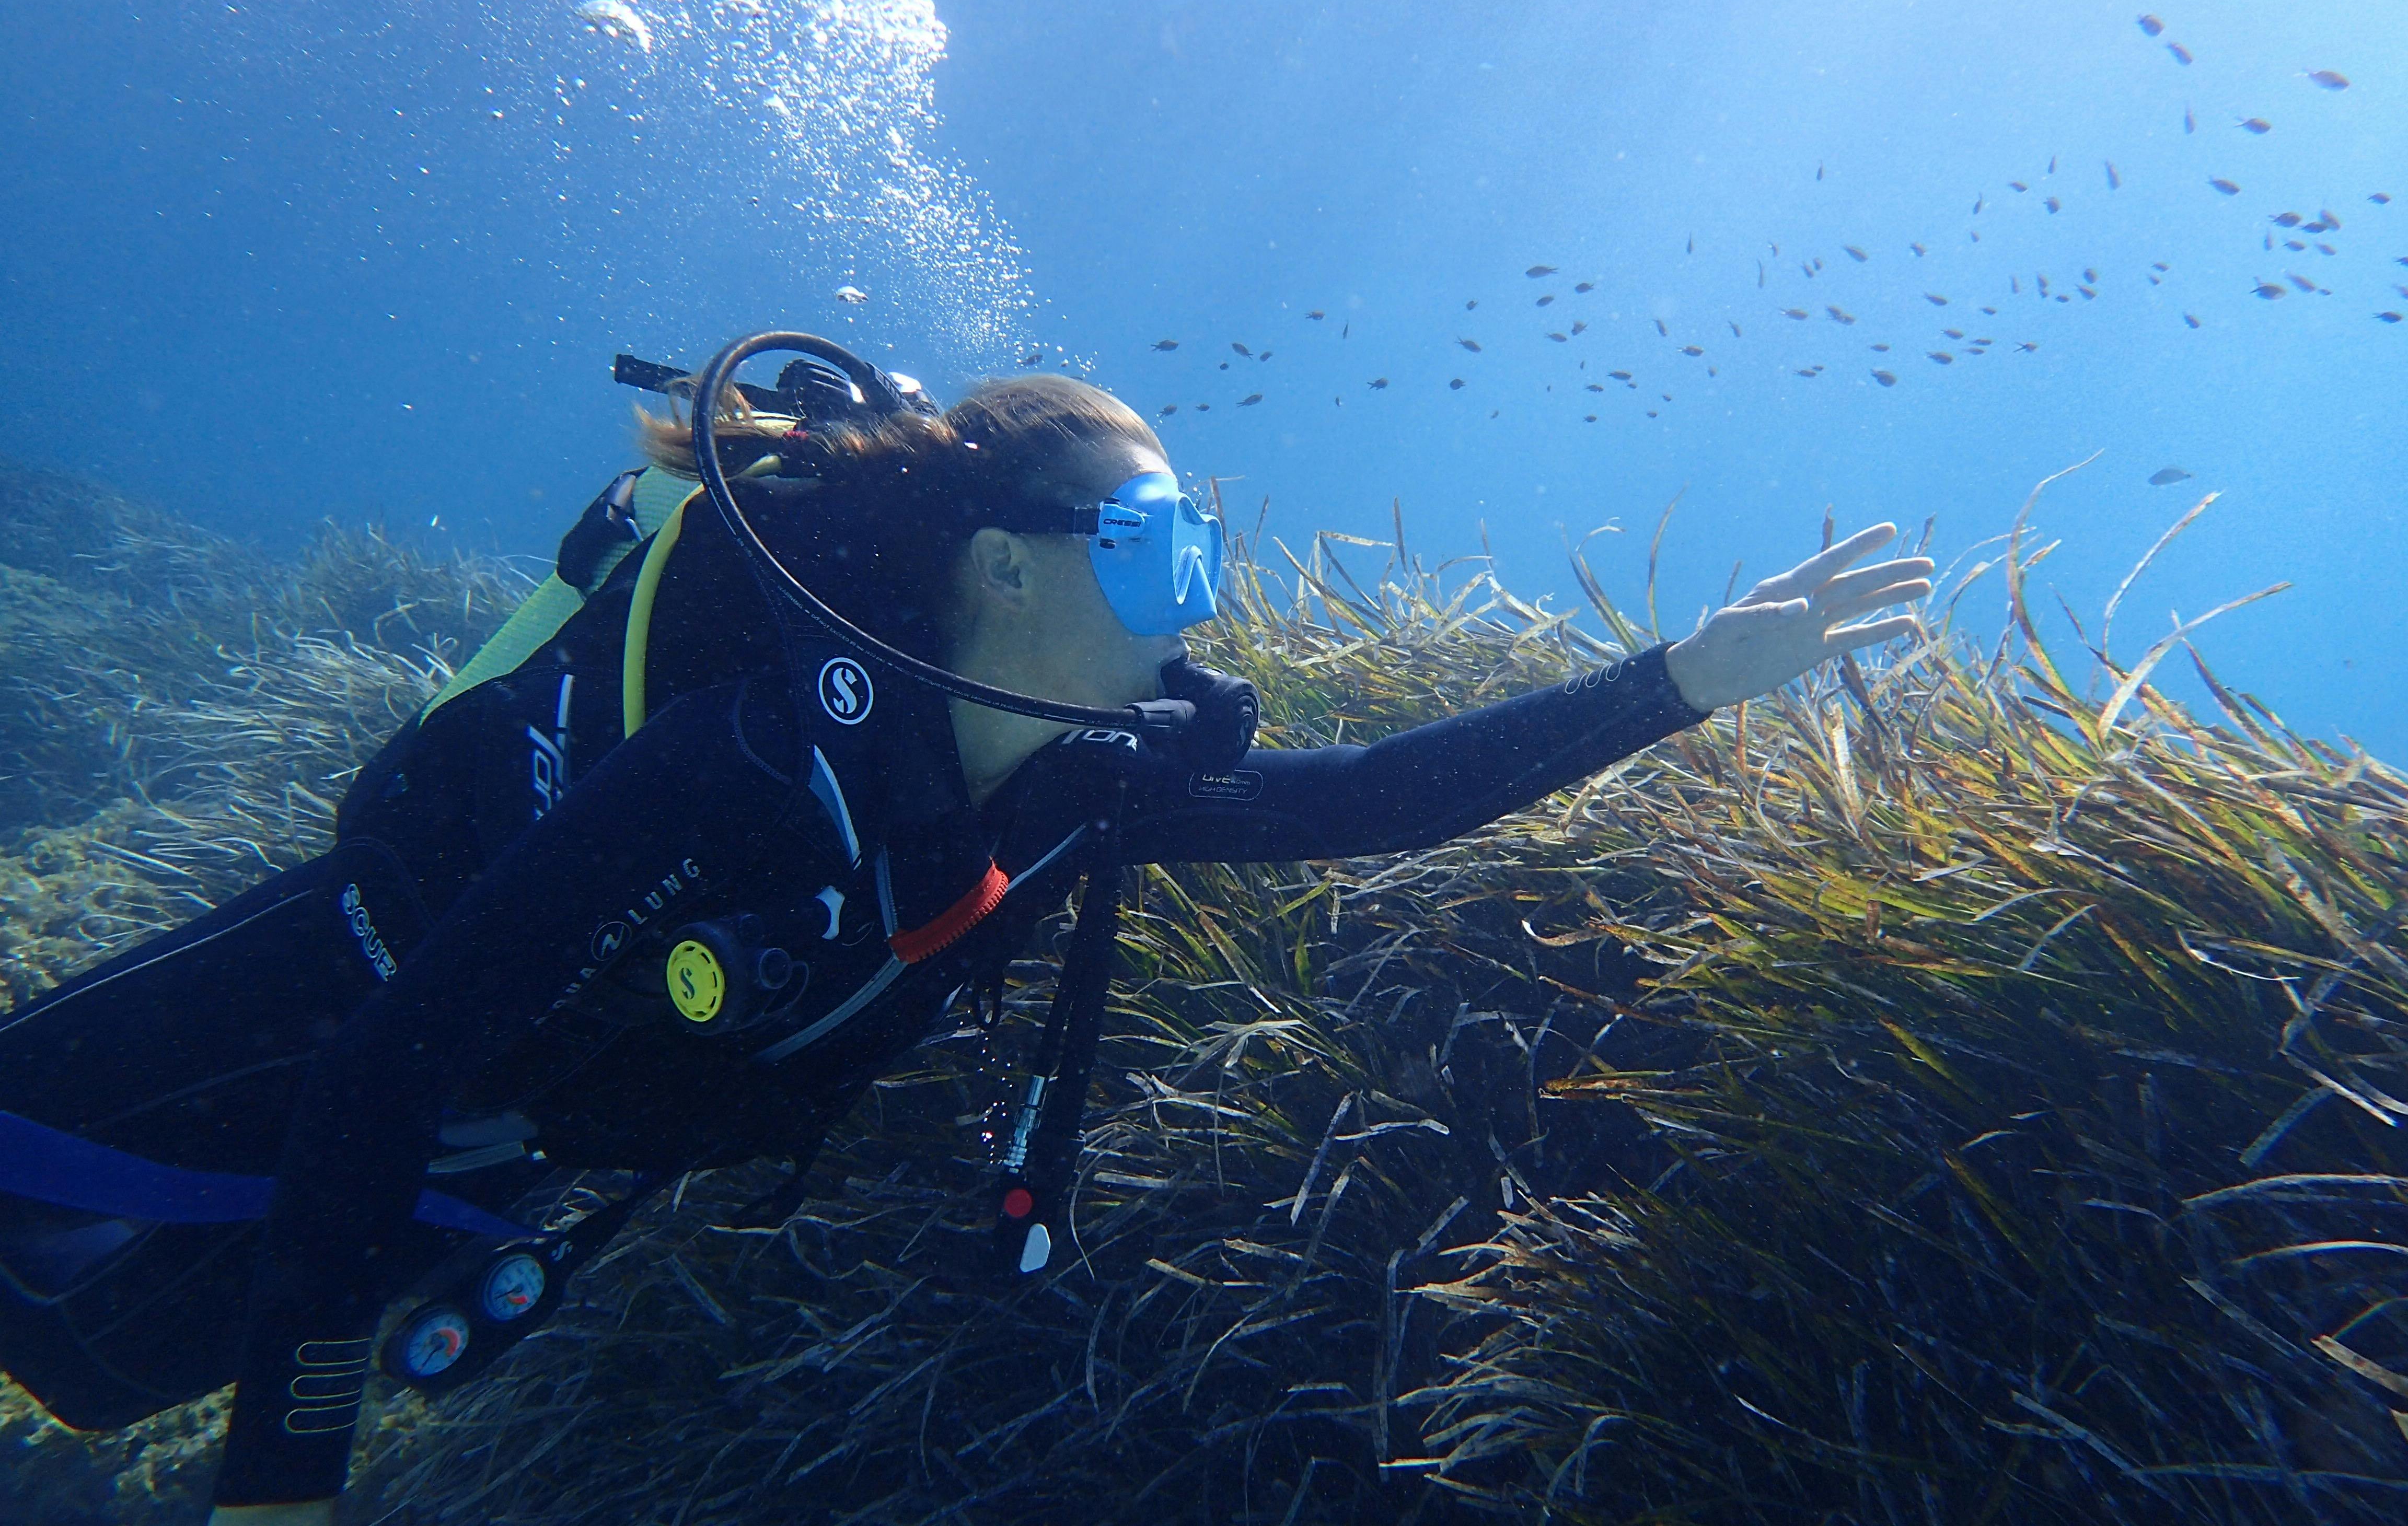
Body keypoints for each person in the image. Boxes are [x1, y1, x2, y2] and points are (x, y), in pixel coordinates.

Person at [0, 342, 1931, 1524]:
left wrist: (1688, 674)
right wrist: (278, 1494)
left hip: (481, 1163)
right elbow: (381, 1064)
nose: (1202, 597)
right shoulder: (750, 770)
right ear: (1007, 569)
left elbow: (1371, 802)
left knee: (79, 1375)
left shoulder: (1075, 773)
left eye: (1205, 549)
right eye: (1163, 549)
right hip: (333, 1020)